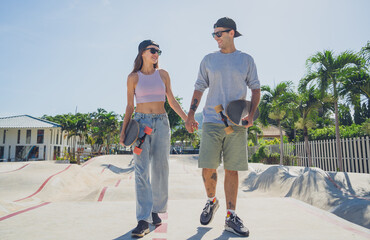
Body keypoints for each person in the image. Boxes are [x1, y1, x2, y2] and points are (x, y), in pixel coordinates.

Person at [185, 17, 261, 237]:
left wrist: (252, 115)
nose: (216, 38)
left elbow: (255, 89)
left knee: (232, 169)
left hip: (236, 124)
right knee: (207, 167)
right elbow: (199, 87)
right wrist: (191, 113)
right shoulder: (208, 60)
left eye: (219, 33)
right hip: (211, 120)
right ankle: (212, 201)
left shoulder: (246, 60)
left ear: (231, 33)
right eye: (214, 34)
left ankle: (231, 216)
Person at [120, 40, 187, 238]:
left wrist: (187, 120)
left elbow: (172, 101)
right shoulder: (133, 77)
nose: (156, 53)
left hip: (162, 123)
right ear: (143, 53)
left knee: (160, 169)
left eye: (158, 51)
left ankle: (154, 211)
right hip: (141, 125)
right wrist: (124, 131)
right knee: (141, 171)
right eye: (153, 50)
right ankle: (142, 220)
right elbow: (130, 107)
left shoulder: (163, 75)